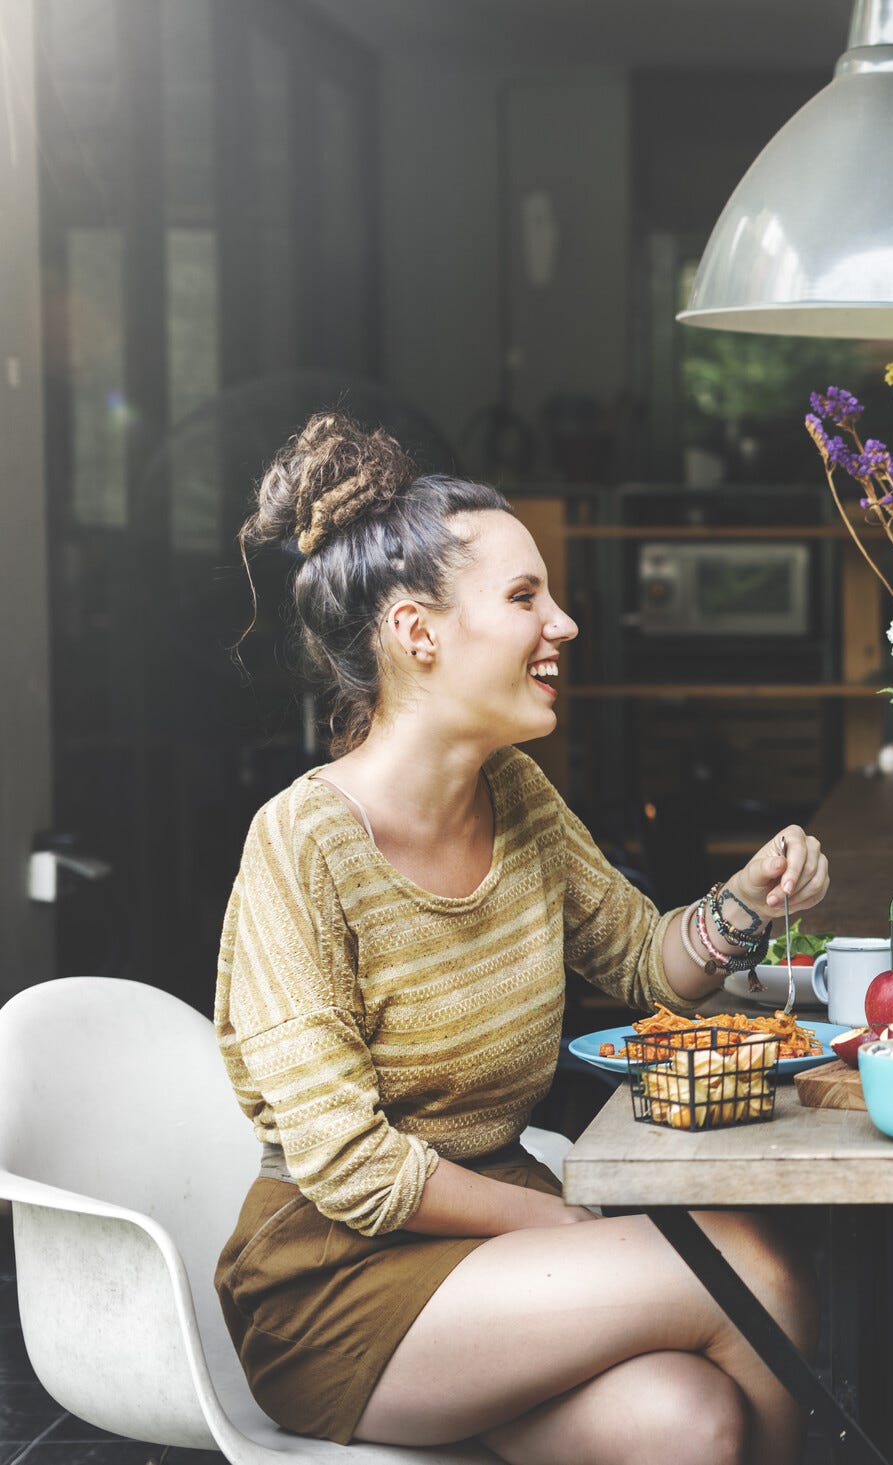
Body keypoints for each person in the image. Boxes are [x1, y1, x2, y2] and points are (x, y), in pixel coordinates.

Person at [214, 413, 826, 1464]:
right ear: (419, 633)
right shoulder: (302, 845)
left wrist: (742, 904)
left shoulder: (516, 796)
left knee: (693, 1423)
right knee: (747, 1264)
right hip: (336, 1280)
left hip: (503, 1256)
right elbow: (350, 1165)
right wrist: (565, 1226)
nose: (566, 624)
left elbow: (645, 963)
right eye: (524, 597)